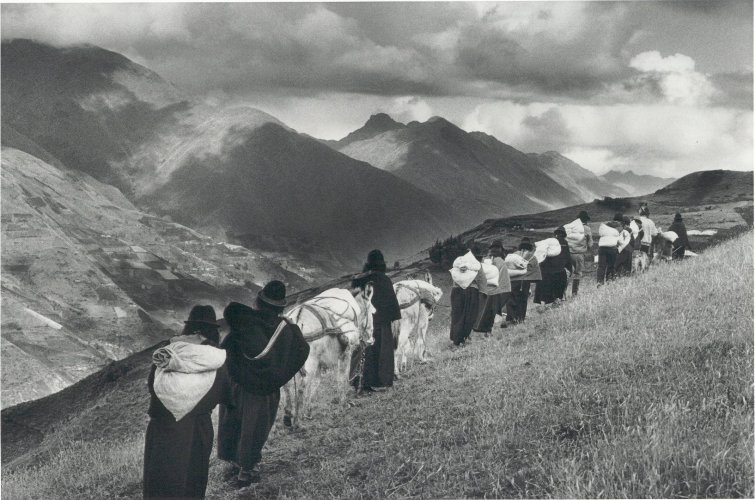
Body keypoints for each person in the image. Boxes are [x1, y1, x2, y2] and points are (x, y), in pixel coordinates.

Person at [218, 281, 309, 488]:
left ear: (259, 301)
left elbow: (226, 348)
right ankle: (246, 471)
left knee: (233, 422)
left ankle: (233, 460)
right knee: (254, 429)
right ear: (281, 306)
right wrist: (293, 329)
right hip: (263, 391)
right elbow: (302, 350)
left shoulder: (243, 322)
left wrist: (236, 373)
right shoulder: (285, 330)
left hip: (237, 385)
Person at [143, 305, 232, 500]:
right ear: (212, 330)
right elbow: (223, 392)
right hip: (199, 428)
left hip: (163, 425)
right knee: (192, 480)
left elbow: (153, 384)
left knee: (160, 481)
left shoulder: (168, 350)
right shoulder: (216, 356)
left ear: (189, 326)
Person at [350, 249, 401, 391]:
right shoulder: (385, 280)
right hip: (382, 323)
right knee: (382, 351)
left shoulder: (361, 279)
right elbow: (392, 302)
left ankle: (360, 381)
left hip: (364, 323)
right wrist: (394, 317)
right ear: (382, 264)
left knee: (364, 351)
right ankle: (381, 381)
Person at [449, 244, 487, 346]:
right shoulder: (477, 265)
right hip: (471, 291)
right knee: (469, 315)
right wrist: (484, 293)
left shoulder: (458, 264)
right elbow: (482, 281)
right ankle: (463, 338)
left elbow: (455, 279)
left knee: (457, 315)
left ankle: (455, 339)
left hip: (456, 291)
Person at [473, 240, 511, 335]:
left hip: (495, 290)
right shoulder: (501, 261)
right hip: (504, 289)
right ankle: (491, 330)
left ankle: (487, 331)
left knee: (489, 311)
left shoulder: (492, 261)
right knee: (495, 311)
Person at [505, 237, 540, 324]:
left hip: (513, 281)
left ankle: (511, 318)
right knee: (523, 300)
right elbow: (535, 270)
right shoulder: (532, 257)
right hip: (525, 282)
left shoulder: (514, 255)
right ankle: (520, 319)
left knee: (511, 298)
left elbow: (507, 267)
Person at [534, 227, 572, 304]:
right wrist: (569, 268)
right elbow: (567, 257)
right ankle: (559, 299)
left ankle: (545, 302)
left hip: (547, 268)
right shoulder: (564, 242)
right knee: (560, 284)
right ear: (564, 235)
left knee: (547, 285)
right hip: (560, 268)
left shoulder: (550, 242)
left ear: (556, 234)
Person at [564, 210, 593, 296]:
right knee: (577, 273)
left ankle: (562, 294)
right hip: (579, 254)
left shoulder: (571, 227)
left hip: (567, 254)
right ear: (586, 220)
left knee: (567, 273)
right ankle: (574, 293)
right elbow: (590, 244)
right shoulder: (587, 229)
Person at [596, 214, 622, 285]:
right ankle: (609, 281)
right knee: (611, 266)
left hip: (602, 248)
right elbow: (620, 241)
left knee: (601, 266)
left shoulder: (604, 228)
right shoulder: (618, 228)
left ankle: (599, 282)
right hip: (612, 249)